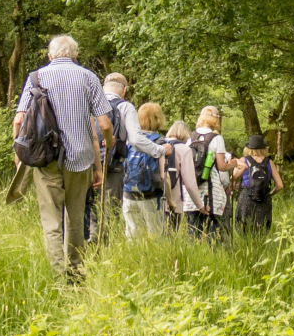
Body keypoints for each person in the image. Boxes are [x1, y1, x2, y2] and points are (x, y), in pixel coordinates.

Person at [12, 35, 115, 283]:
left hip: (44, 158)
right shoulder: (88, 77)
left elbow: (18, 120)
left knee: (51, 222)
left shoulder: (36, 77)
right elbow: (103, 124)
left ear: (50, 56)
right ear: (76, 55)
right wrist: (107, 148)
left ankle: (58, 279)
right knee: (76, 218)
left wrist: (19, 156)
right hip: (80, 159)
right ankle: (76, 275)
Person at [84, 73, 173, 243]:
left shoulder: (89, 103)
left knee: (88, 208)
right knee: (110, 212)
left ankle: (87, 245)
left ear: (103, 88)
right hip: (112, 166)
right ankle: (105, 250)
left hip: (86, 163)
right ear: (124, 90)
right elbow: (136, 139)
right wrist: (159, 150)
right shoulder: (125, 107)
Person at [183, 106, 239, 240]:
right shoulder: (216, 139)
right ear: (215, 120)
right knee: (213, 235)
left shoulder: (190, 138)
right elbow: (221, 166)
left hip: (191, 193)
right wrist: (232, 164)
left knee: (193, 233)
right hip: (211, 193)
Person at [122, 103, 166, 239]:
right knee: (154, 234)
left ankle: (131, 259)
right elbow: (163, 175)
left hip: (128, 193)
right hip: (151, 196)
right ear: (158, 119)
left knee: (132, 234)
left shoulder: (130, 141)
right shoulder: (160, 141)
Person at [233, 135, 284, 233]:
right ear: (264, 149)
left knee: (243, 227)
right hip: (264, 198)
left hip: (246, 197)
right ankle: (259, 246)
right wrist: (270, 194)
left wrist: (236, 186)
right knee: (262, 228)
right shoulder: (269, 162)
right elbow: (280, 185)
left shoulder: (243, 160)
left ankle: (246, 246)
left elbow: (233, 178)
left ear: (248, 148)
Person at [164, 121, 207, 231]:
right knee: (170, 238)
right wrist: (200, 206)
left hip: (155, 201)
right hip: (174, 202)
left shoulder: (159, 145)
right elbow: (190, 183)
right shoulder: (184, 150)